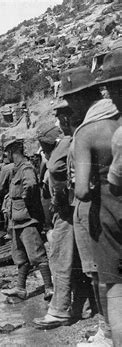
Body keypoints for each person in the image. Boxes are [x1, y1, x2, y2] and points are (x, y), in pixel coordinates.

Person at [62, 66, 115, 345]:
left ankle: (107, 333)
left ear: (79, 97)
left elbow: (81, 189)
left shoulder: (87, 130)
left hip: (100, 208)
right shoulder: (117, 117)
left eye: (70, 101)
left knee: (100, 274)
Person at [76, 48, 122, 345]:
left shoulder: (87, 133)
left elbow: (80, 189)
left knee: (114, 287)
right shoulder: (117, 125)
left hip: (108, 211)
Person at [33, 122, 94, 329]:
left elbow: (56, 169)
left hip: (65, 213)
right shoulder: (67, 147)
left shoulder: (61, 151)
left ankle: (59, 310)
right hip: (72, 211)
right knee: (75, 261)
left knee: (60, 260)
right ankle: (82, 306)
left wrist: (58, 205)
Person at [0, 139, 53, 301]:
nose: (6, 156)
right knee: (20, 256)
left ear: (11, 152)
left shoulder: (26, 167)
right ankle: (20, 288)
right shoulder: (16, 169)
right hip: (16, 220)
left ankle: (49, 288)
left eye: (7, 153)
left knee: (37, 255)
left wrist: (24, 200)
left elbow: (30, 185)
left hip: (27, 219)